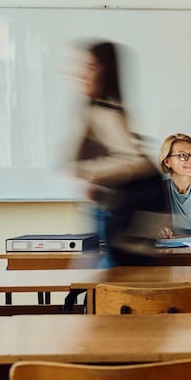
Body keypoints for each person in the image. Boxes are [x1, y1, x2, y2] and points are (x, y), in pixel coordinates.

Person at [70, 41, 165, 266]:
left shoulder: (106, 112)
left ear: (105, 71)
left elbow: (137, 161)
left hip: (122, 215)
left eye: (90, 67)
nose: (81, 74)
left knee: (105, 287)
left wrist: (89, 172)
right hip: (108, 212)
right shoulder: (93, 109)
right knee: (96, 287)